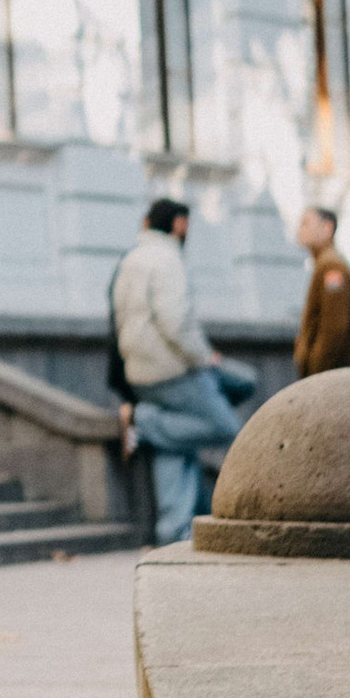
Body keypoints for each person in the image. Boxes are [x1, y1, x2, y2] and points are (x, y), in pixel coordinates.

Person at [110, 196, 255, 546]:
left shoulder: (131, 259)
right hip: (173, 370)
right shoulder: (168, 259)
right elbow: (176, 322)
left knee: (173, 446)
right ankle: (143, 421)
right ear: (178, 224)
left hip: (140, 372)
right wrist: (205, 357)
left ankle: (173, 531)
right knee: (227, 420)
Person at [293, 204, 350, 376]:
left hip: (339, 376)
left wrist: (316, 370)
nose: (300, 230)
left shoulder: (332, 268)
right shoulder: (325, 264)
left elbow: (334, 327)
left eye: (306, 223)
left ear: (327, 228)